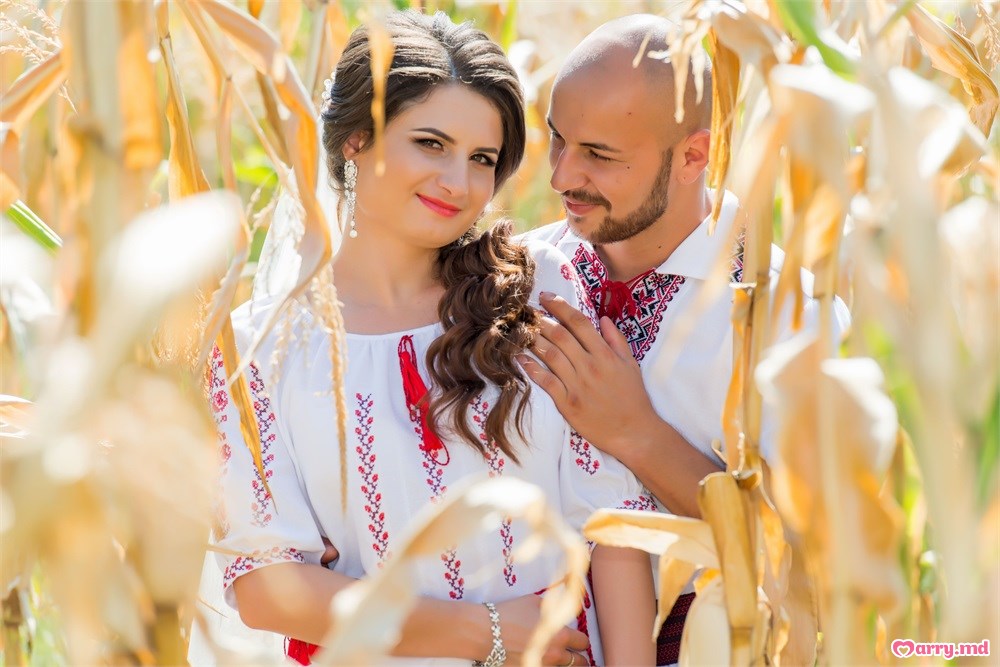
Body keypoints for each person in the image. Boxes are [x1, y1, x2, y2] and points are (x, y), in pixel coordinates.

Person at [207, 11, 656, 667]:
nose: (459, 182)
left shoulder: (539, 292)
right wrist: (486, 631)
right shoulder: (259, 351)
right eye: (430, 143)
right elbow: (266, 587)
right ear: (356, 139)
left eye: (482, 159)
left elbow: (614, 520)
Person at [517, 14, 850, 666]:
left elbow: (814, 563)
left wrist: (637, 434)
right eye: (558, 139)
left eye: (599, 155)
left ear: (694, 156)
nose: (560, 177)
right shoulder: (516, 275)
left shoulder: (787, 317)